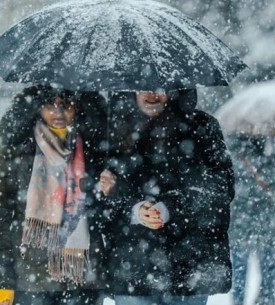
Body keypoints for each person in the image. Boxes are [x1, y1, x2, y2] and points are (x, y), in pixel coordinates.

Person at [99, 89, 235, 305]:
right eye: (144, 86)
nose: (152, 94)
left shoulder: (201, 127)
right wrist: (132, 208)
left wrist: (171, 208)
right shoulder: (111, 129)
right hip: (133, 268)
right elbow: (95, 198)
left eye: (161, 86)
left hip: (190, 266)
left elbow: (220, 188)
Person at [0, 85, 108, 305]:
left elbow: (108, 214)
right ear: (36, 107)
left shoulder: (97, 148)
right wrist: (2, 284)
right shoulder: (17, 148)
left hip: (84, 278)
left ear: (78, 106)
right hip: (31, 282)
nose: (58, 112)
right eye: (50, 104)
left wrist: (104, 189)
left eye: (66, 104)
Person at [227, 134, 275, 305]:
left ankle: (239, 301)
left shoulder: (232, 153)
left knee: (240, 269)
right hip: (266, 221)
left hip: (241, 221)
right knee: (268, 266)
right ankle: (266, 300)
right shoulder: (269, 155)